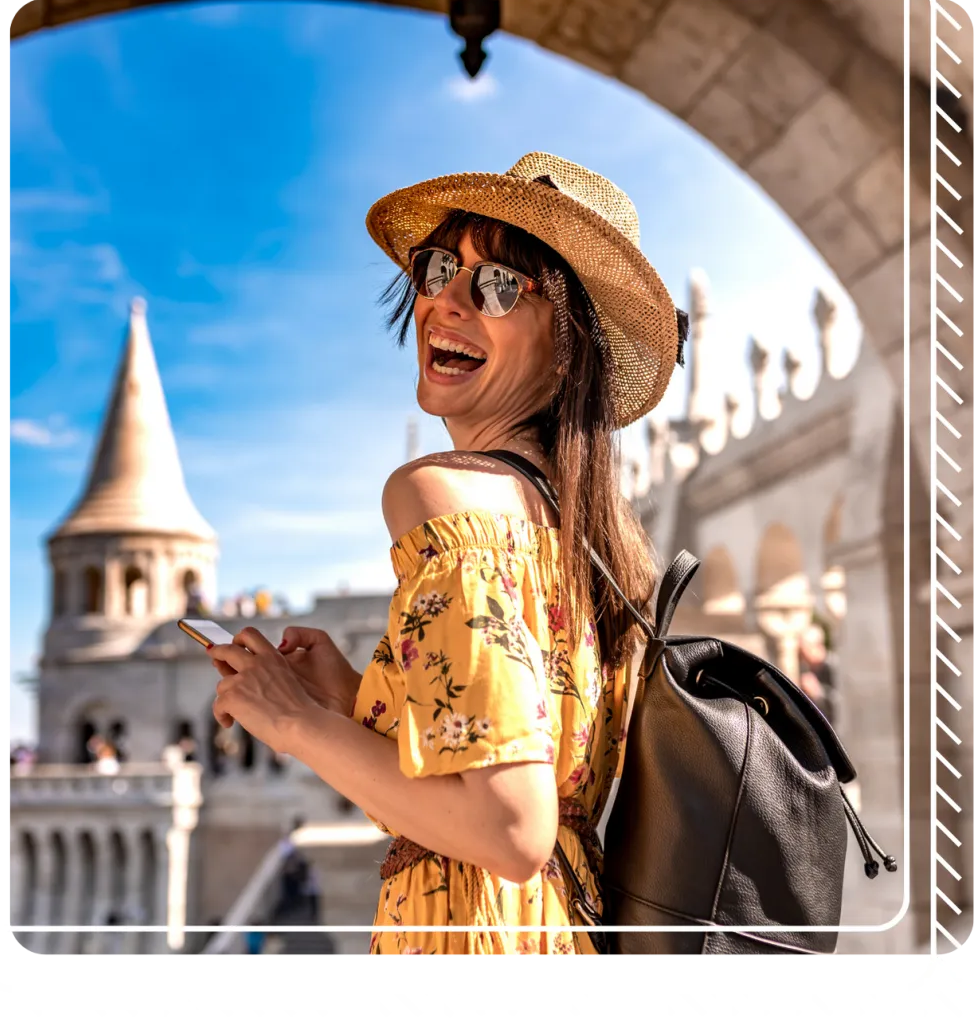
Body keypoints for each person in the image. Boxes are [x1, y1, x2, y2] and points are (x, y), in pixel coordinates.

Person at [208, 153, 682, 958]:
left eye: (499, 284)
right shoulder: (593, 535)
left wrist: (288, 722)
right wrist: (344, 702)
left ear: (569, 347)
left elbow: (506, 829)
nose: (445, 303)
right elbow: (490, 787)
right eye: (438, 268)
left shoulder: (442, 498)